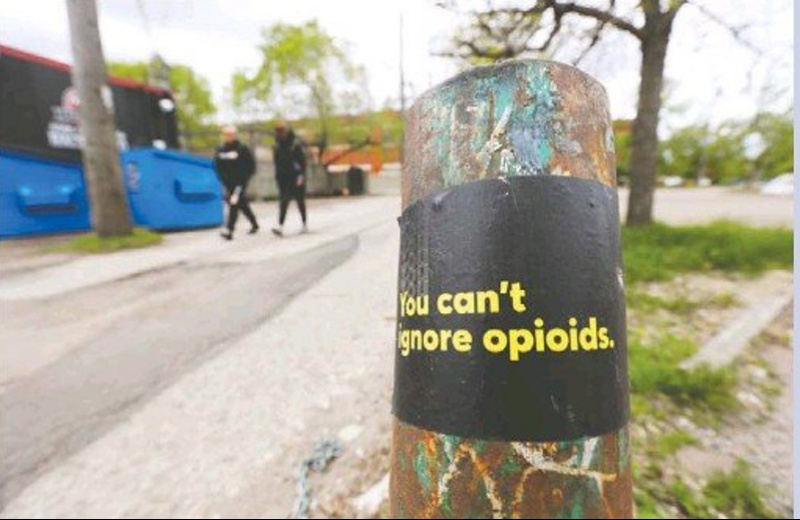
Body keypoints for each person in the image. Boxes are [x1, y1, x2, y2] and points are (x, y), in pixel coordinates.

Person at [213, 125, 259, 240]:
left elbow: (251, 165)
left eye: (231, 134)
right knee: (241, 204)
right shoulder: (221, 150)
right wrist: (223, 179)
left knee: (234, 203)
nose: (229, 136)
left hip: (240, 183)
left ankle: (229, 230)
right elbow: (217, 166)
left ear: (235, 135)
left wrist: (244, 179)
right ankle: (254, 223)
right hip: (228, 183)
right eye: (227, 135)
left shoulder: (242, 149)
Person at [271, 121, 307, 236]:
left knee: (300, 201)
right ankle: (280, 226)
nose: (279, 134)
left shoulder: (295, 145)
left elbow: (302, 162)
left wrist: (301, 176)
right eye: (278, 131)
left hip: (295, 177)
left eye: (281, 131)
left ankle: (304, 223)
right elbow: (277, 164)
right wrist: (277, 177)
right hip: (283, 178)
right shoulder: (277, 146)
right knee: (284, 201)